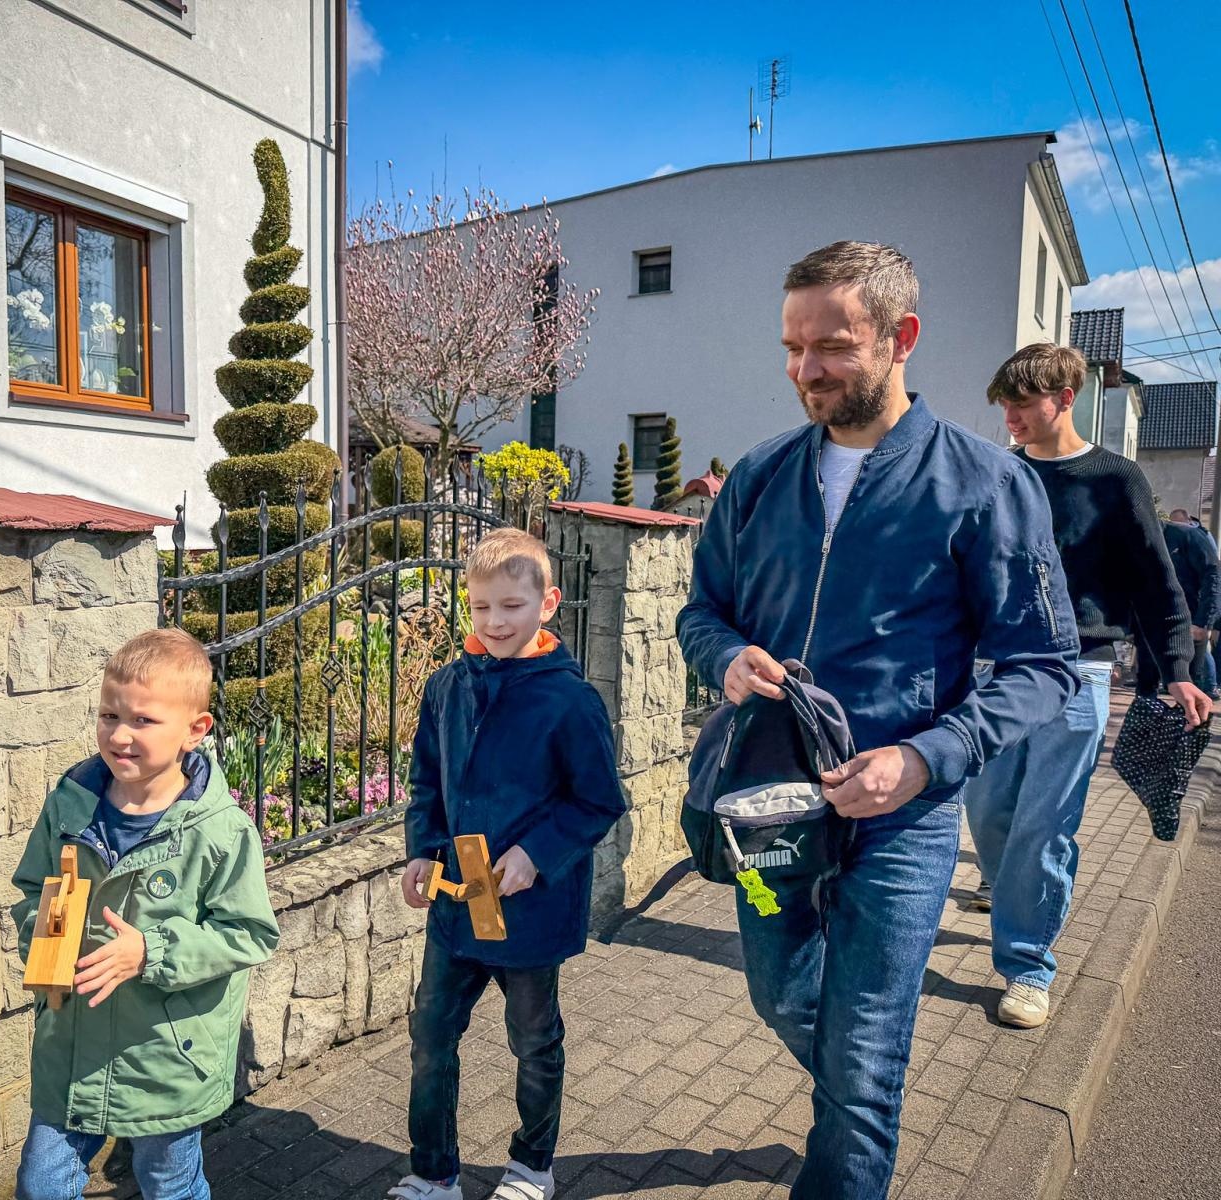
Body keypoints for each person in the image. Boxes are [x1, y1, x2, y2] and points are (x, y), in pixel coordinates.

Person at [677, 241, 1079, 1200]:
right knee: (779, 993)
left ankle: (855, 1131)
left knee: (861, 1059)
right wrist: (726, 658)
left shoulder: (987, 483)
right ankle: (862, 1107)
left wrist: (925, 758)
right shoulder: (760, 477)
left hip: (902, 822)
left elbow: (1042, 666)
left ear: (901, 339)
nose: (805, 369)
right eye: (792, 346)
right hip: (770, 816)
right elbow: (703, 614)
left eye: (832, 346)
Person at [969, 344, 1209, 1029]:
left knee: (1046, 825)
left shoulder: (1114, 479)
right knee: (987, 811)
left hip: (1079, 670)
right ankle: (999, 880)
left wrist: (1179, 674)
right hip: (994, 670)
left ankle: (1027, 965)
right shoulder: (997, 475)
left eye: (1023, 404)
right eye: (1004, 405)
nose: (1010, 417)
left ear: (1065, 397)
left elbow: (1156, 584)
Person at [390, 528, 628, 1200]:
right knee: (431, 1036)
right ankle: (433, 1172)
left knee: (533, 1041)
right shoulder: (446, 687)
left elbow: (597, 800)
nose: (495, 622)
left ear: (548, 602)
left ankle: (531, 1166)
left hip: (526, 910)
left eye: (512, 606)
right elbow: (426, 781)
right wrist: (420, 848)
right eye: (482, 606)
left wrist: (536, 854)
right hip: (453, 907)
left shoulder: (570, 700)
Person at [11, 628, 279, 1200]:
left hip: (165, 1060)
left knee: (167, 1182)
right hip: (72, 1046)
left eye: (143, 721)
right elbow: (34, 890)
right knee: (42, 1183)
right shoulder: (70, 805)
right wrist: (44, 936)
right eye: (109, 715)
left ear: (195, 731)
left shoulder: (219, 830)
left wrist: (150, 952)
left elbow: (249, 933)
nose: (120, 735)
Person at [1151, 508, 1221, 697]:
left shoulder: (1188, 536)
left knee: (1191, 683)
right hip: (1157, 620)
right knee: (1153, 684)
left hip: (1190, 618)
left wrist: (1204, 621)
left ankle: (1203, 697)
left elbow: (1213, 574)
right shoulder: (1139, 540)